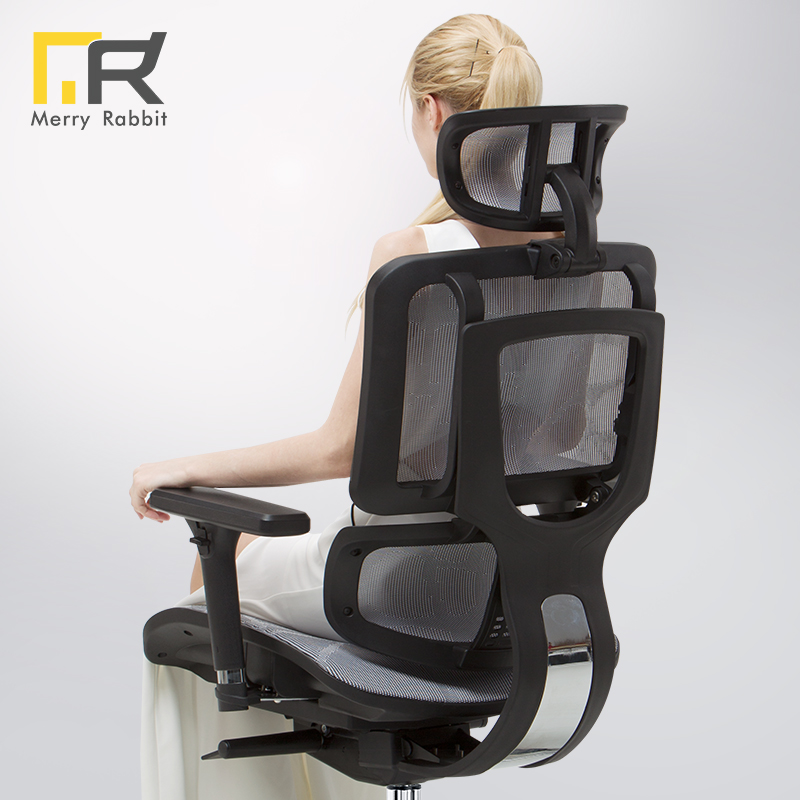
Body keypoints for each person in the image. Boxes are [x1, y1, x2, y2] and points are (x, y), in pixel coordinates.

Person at [133, 13, 560, 800]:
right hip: (514, 588)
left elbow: (340, 448)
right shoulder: (573, 263)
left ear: (433, 109)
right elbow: (563, 439)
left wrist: (184, 469)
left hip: (393, 585)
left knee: (206, 588)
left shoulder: (413, 257)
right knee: (238, 579)